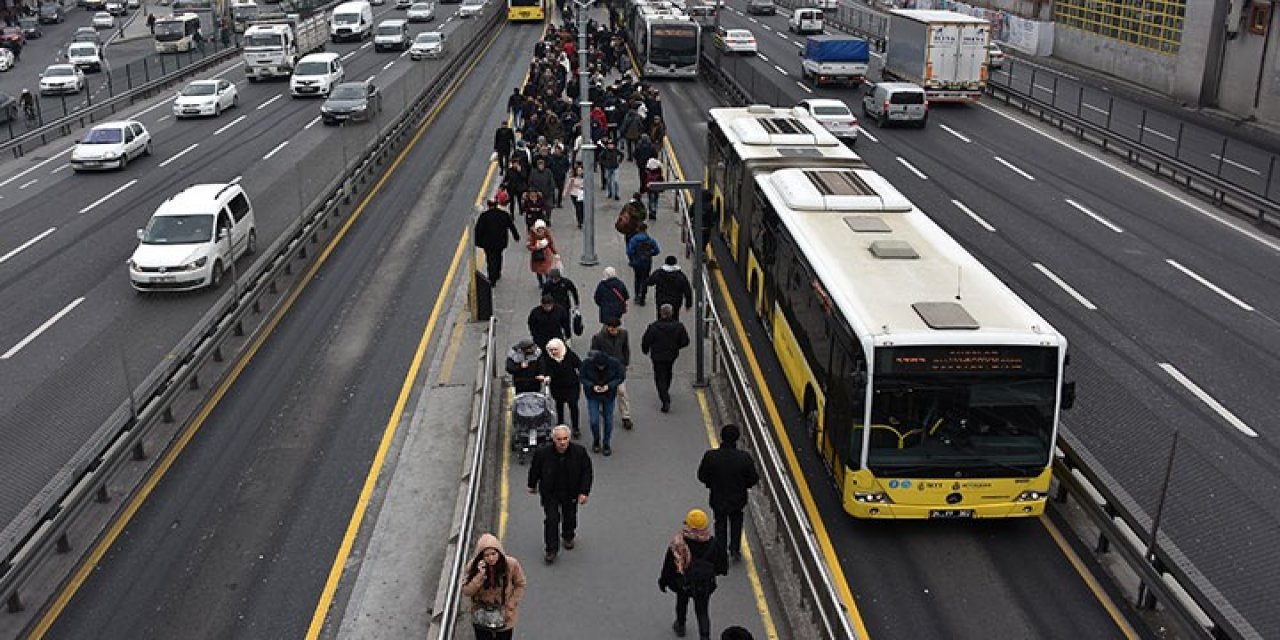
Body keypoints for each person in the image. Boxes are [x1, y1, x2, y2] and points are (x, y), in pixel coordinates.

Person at [658, 509, 728, 640]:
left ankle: (680, 625)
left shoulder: (679, 543)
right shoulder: (713, 543)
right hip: (704, 584)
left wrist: (663, 581)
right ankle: (705, 636)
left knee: (682, 601)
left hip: (683, 582)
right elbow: (722, 567)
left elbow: (669, 565)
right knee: (702, 611)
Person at [528, 425, 593, 563]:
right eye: (559, 439)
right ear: (554, 440)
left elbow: (587, 472)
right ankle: (551, 549)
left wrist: (584, 492)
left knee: (570, 515)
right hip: (550, 492)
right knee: (551, 519)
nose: (562, 442)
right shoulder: (542, 453)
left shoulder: (579, 452)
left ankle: (568, 535)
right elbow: (535, 469)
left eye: (565, 439)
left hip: (571, 491)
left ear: (569, 438)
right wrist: (532, 484)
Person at [697, 424, 759, 562]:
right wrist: (744, 485)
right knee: (736, 521)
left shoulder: (711, 457)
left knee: (720, 523)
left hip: (718, 497)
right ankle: (735, 549)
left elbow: (701, 475)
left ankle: (721, 551)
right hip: (737, 498)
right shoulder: (744, 458)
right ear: (737, 438)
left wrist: (711, 484)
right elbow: (753, 478)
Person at [462, 532, 527, 640]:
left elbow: (520, 584)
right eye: (487, 555)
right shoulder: (473, 567)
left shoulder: (511, 564)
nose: (491, 558)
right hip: (481, 614)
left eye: (493, 554)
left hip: (504, 614)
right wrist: (479, 576)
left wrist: (511, 605)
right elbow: (467, 591)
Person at [641, 304, 690, 413]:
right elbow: (685, 341)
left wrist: (645, 350)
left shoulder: (653, 327)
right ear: (672, 313)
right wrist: (676, 346)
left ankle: (665, 398)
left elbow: (646, 340)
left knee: (659, 377)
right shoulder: (679, 326)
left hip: (657, 355)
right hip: (671, 355)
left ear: (661, 313)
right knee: (668, 372)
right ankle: (666, 389)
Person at [589, 318, 633, 430]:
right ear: (608, 327)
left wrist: (625, 363)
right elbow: (593, 354)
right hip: (604, 370)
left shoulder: (623, 334)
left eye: (616, 328)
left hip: (618, 368)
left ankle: (626, 416)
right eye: (612, 329)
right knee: (605, 391)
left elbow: (625, 349)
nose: (615, 331)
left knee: (622, 392)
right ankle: (603, 408)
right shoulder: (598, 338)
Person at [579, 349, 624, 455]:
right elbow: (582, 377)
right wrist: (592, 386)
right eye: (599, 366)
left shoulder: (614, 363)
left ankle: (606, 443)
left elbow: (620, 377)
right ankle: (596, 440)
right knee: (594, 420)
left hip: (608, 395)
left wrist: (609, 386)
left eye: (602, 366)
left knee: (608, 420)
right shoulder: (587, 364)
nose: (601, 368)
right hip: (592, 395)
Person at [540, 338, 582, 437]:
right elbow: (546, 370)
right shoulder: (548, 358)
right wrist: (547, 377)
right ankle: (561, 424)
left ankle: (575, 427)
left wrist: (582, 376)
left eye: (555, 349)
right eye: (551, 350)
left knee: (573, 406)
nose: (553, 352)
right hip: (557, 386)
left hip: (572, 385)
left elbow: (580, 365)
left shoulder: (569, 355)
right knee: (559, 405)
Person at [475, 199, 521, 286]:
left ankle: (492, 278)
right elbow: (511, 226)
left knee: (490, 259)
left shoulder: (484, 216)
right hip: (501, 241)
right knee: (498, 256)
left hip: (488, 243)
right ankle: (498, 272)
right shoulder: (504, 214)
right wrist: (516, 236)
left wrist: (477, 241)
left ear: (488, 205)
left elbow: (479, 230)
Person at [645, 256, 693, 321]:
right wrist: (688, 304)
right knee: (675, 318)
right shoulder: (680, 276)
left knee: (660, 318)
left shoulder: (659, 273)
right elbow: (687, 290)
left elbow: (649, 282)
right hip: (675, 301)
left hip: (661, 300)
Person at [626, 223, 660, 306]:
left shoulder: (634, 240)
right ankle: (643, 297)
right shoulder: (650, 240)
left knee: (637, 278)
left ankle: (637, 295)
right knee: (645, 279)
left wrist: (633, 257)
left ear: (638, 229)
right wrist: (650, 253)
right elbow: (657, 251)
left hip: (637, 262)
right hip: (647, 262)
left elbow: (629, 251)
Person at [527, 220, 557, 286]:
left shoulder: (546, 233)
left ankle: (547, 282)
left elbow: (551, 243)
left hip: (546, 254)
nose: (541, 230)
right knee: (538, 270)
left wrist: (555, 253)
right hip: (537, 255)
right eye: (539, 229)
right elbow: (529, 246)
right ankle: (541, 282)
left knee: (547, 269)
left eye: (542, 229)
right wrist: (537, 247)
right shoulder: (532, 234)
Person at [563, 163, 586, 228]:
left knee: (582, 207)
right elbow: (568, 186)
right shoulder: (573, 178)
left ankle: (582, 219)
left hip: (582, 194)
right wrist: (565, 194)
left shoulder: (585, 178)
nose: (580, 172)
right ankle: (579, 221)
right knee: (578, 208)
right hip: (574, 194)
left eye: (581, 170)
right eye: (578, 171)